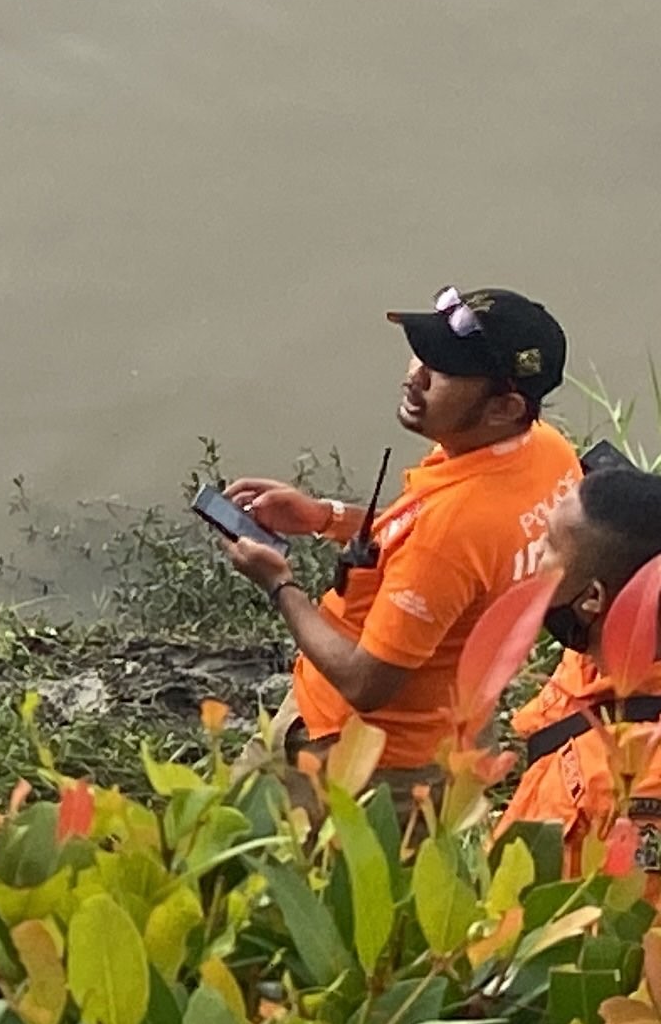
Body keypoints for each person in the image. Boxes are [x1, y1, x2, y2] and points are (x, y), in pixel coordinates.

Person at [217, 287, 583, 780]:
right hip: (452, 728)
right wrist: (325, 516)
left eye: (444, 371)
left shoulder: (451, 532)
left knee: (233, 848)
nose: (416, 376)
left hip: (362, 756)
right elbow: (461, 555)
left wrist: (279, 584)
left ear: (504, 408)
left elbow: (365, 683)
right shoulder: (546, 453)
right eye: (423, 355)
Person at [504, 465, 661, 885]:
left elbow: (631, 931)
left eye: (550, 545)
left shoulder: (644, 779)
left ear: (593, 597)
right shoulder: (591, 658)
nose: (534, 552)